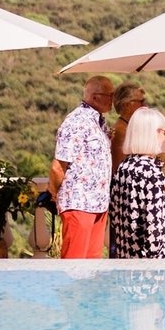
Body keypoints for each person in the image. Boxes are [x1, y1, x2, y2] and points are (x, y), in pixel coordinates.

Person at [49, 76, 115, 259]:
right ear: (95, 98)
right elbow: (58, 167)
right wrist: (53, 193)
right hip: (79, 204)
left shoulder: (99, 122)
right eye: (110, 95)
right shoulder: (76, 122)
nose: (113, 100)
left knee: (91, 267)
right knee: (74, 264)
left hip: (98, 203)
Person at [110, 106, 165, 259]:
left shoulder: (124, 168)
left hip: (125, 258)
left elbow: (114, 215)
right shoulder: (151, 173)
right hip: (148, 268)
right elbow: (154, 228)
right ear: (152, 134)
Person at [110, 82, 146, 175]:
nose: (144, 106)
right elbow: (118, 169)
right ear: (126, 105)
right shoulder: (120, 132)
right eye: (141, 102)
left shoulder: (126, 128)